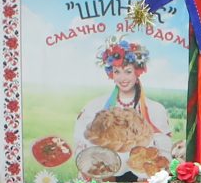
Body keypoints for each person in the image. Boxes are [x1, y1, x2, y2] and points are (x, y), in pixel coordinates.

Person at [72, 40, 174, 170]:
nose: (122, 78)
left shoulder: (156, 109)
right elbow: (81, 143)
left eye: (128, 71)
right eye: (117, 72)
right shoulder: (95, 106)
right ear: (111, 74)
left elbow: (165, 149)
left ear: (137, 72)